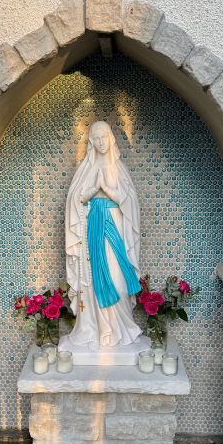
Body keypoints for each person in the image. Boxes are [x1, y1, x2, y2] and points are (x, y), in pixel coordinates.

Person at [64, 120, 142, 349]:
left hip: (116, 231)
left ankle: (120, 329)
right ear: (91, 141)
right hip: (91, 233)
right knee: (92, 282)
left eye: (104, 137)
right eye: (95, 138)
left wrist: (107, 189)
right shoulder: (85, 169)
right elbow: (74, 202)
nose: (100, 142)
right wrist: (91, 191)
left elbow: (131, 204)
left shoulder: (120, 169)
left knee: (118, 282)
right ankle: (98, 331)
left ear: (111, 138)